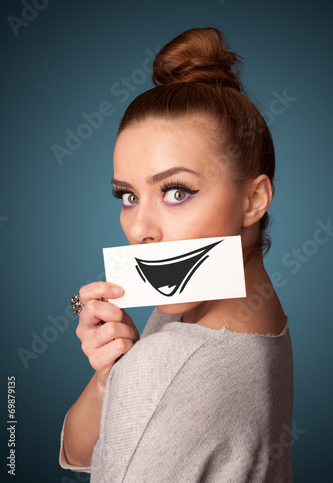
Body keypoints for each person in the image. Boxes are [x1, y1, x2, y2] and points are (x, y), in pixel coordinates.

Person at [59, 27, 294, 482]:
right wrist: (112, 375)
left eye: (176, 191)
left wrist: (136, 378)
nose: (140, 229)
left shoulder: (166, 363)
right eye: (127, 196)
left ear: (254, 200)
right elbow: (80, 449)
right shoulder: (249, 312)